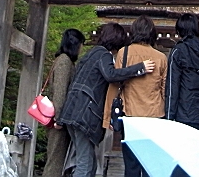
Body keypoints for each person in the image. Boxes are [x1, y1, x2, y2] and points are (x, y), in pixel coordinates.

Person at [57, 23, 156, 177]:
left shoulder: (91, 53)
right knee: (85, 164)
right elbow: (111, 75)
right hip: (84, 114)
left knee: (88, 162)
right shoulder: (103, 54)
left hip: (73, 112)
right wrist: (140, 68)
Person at [101, 16, 168, 177]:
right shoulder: (161, 58)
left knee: (131, 165)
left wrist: (108, 117)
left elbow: (115, 84)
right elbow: (164, 90)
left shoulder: (124, 53)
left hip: (130, 115)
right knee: (151, 163)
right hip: (154, 116)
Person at [164, 13, 199, 137]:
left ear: (179, 30)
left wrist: (169, 118)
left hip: (185, 116)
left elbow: (172, 87)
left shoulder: (178, 51)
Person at [43, 28, 84, 177]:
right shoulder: (64, 61)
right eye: (81, 44)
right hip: (58, 121)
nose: (81, 48)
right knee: (56, 161)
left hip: (58, 118)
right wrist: (59, 119)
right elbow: (60, 92)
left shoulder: (63, 60)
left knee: (57, 159)